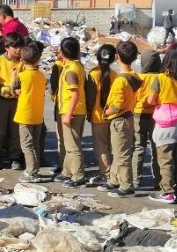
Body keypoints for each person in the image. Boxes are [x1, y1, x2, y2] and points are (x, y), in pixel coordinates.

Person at [148, 43, 177, 204]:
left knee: (165, 160)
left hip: (164, 124)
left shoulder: (159, 79)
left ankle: (167, 192)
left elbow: (150, 100)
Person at [101, 41, 142, 198]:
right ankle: (114, 179)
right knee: (118, 151)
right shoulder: (134, 76)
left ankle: (126, 184)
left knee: (122, 153)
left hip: (119, 119)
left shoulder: (120, 80)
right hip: (128, 116)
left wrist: (106, 112)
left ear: (116, 57)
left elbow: (117, 105)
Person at [0, 33, 26, 170]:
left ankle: (15, 157)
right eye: (15, 47)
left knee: (15, 131)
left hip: (17, 100)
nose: (18, 50)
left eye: (20, 47)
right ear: (6, 48)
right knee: (0, 130)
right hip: (2, 100)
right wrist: (1, 88)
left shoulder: (23, 62)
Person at [54, 37, 88, 188]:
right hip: (76, 110)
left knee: (72, 145)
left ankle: (78, 175)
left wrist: (68, 114)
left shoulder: (70, 70)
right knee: (69, 144)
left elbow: (75, 94)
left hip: (71, 111)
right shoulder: (76, 65)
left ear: (63, 52)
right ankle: (67, 171)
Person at [14, 43, 47, 183]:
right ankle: (35, 168)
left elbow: (14, 89)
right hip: (38, 115)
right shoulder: (41, 75)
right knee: (35, 144)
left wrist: (14, 74)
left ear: (22, 60)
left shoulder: (21, 76)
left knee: (27, 145)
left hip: (25, 114)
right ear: (37, 60)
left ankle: (31, 171)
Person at [86, 44, 116, 186]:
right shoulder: (115, 75)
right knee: (110, 145)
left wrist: (88, 112)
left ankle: (106, 173)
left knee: (101, 147)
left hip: (98, 116)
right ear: (114, 59)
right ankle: (113, 172)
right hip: (112, 115)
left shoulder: (93, 74)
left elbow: (91, 98)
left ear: (97, 56)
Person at [133, 49, 162, 190]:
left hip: (139, 115)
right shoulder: (161, 78)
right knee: (156, 148)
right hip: (157, 115)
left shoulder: (139, 78)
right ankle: (158, 180)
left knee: (139, 147)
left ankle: (135, 180)